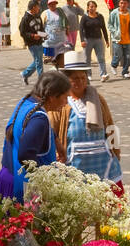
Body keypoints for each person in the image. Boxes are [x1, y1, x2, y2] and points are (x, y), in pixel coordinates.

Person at [0, 70, 71, 230]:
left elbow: (34, 132)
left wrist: (56, 141)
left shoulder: (26, 103)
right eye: (64, 97)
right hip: (20, 188)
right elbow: (25, 154)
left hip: (7, 178)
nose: (66, 103)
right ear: (52, 96)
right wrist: (48, 182)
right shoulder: (39, 119)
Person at [47, 56, 122, 186]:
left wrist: (116, 152)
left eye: (83, 77)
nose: (80, 82)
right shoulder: (60, 102)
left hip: (103, 164)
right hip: (73, 163)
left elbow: (110, 125)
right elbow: (51, 131)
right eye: (75, 78)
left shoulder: (97, 99)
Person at [80, 0, 110, 80]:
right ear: (87, 8)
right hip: (87, 40)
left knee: (101, 57)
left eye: (93, 6)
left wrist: (107, 40)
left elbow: (103, 28)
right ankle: (88, 75)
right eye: (90, 6)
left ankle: (103, 74)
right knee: (87, 58)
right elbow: (81, 29)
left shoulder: (100, 16)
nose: (92, 8)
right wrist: (82, 40)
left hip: (98, 40)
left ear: (96, 7)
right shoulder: (84, 17)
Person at [108, 0, 130, 78]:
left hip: (128, 38)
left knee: (128, 57)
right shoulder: (114, 13)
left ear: (128, 4)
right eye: (121, 3)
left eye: (125, 3)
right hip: (117, 38)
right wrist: (114, 32)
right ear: (119, 4)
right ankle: (114, 65)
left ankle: (125, 72)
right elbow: (109, 24)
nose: (123, 5)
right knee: (118, 54)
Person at [19, 0, 45, 85]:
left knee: (38, 61)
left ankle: (24, 74)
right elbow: (22, 32)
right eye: (38, 6)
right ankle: (41, 81)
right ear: (33, 7)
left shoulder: (38, 16)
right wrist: (33, 36)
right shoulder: (25, 18)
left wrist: (43, 35)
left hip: (39, 42)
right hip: (32, 43)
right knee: (39, 62)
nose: (39, 8)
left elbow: (41, 28)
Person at [41, 0, 67, 69]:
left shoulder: (60, 12)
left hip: (60, 39)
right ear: (48, 5)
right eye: (51, 4)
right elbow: (40, 25)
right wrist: (42, 35)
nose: (53, 5)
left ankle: (60, 71)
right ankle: (55, 70)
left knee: (61, 57)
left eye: (54, 4)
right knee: (52, 59)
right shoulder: (45, 13)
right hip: (50, 40)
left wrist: (66, 31)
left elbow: (65, 22)